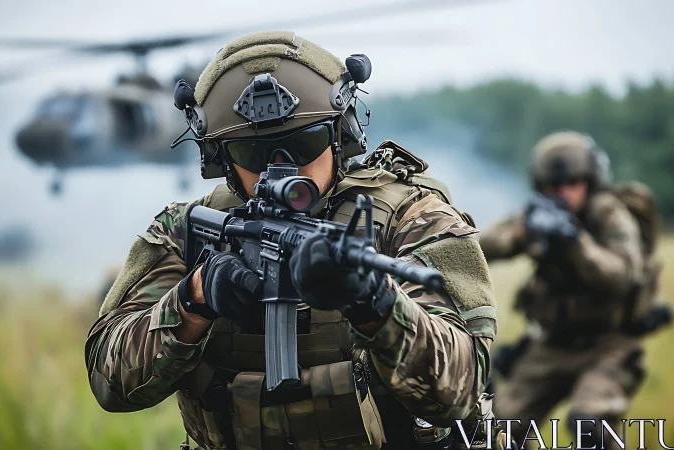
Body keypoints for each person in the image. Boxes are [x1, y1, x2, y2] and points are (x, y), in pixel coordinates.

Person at [85, 31, 501, 450]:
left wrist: (376, 303)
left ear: (341, 132)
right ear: (220, 158)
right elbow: (108, 381)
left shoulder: (413, 218)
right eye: (252, 153)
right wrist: (194, 299)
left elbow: (460, 389)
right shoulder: (190, 229)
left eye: (304, 142)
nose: (281, 168)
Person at [481, 131, 669, 449]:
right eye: (553, 186)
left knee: (589, 425)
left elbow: (621, 273)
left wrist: (575, 242)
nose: (563, 193)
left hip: (609, 345)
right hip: (552, 344)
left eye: (572, 183)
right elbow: (483, 245)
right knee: (499, 427)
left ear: (590, 181)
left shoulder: (608, 213)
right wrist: (522, 234)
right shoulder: (540, 214)